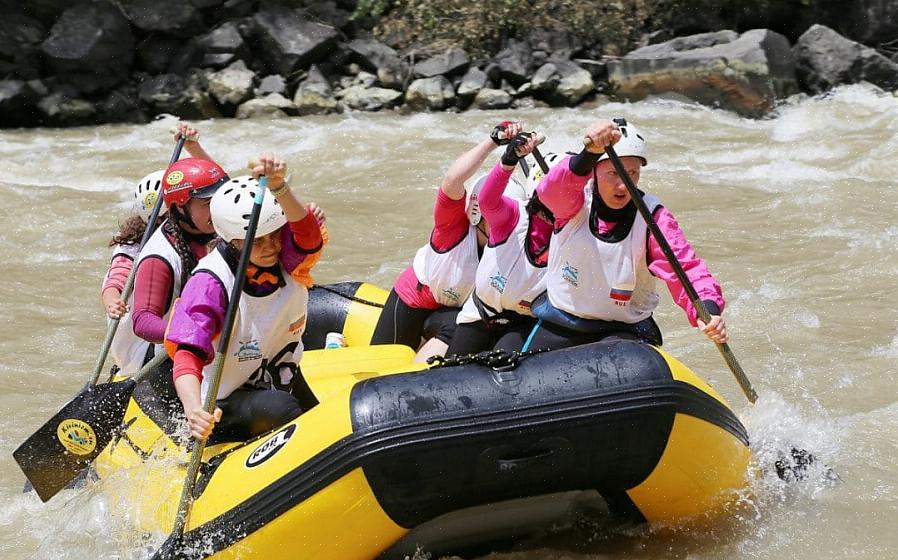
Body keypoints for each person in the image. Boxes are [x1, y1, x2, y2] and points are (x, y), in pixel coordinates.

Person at [526, 117, 728, 350]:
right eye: (613, 173)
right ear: (593, 173)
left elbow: (685, 268)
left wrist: (708, 309)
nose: (623, 185)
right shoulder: (574, 200)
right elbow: (550, 192)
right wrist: (588, 153)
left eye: (631, 173)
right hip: (562, 322)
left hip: (624, 329)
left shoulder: (653, 217)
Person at [165, 155, 324, 443]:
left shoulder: (286, 259)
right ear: (233, 241)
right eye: (259, 241)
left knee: (320, 417)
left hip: (279, 380)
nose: (271, 247)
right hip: (224, 404)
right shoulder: (210, 283)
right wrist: (194, 412)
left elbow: (309, 238)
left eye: (274, 236)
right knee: (283, 408)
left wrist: (279, 187)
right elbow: (187, 355)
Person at [369, 121, 523, 362]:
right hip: (414, 303)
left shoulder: (515, 243)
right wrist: (493, 142)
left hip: (452, 315)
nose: (505, 221)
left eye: (510, 215)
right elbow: (452, 181)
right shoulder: (453, 228)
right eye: (496, 212)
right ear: (477, 213)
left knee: (460, 325)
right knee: (379, 363)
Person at [446, 132, 558, 355]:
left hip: (523, 323)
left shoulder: (572, 229)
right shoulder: (514, 214)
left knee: (502, 365)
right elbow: (488, 200)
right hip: (481, 313)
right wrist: (509, 159)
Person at [100, 169, 166, 320]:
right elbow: (116, 281)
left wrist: (194, 149)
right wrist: (113, 304)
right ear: (158, 219)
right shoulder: (132, 248)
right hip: (140, 340)